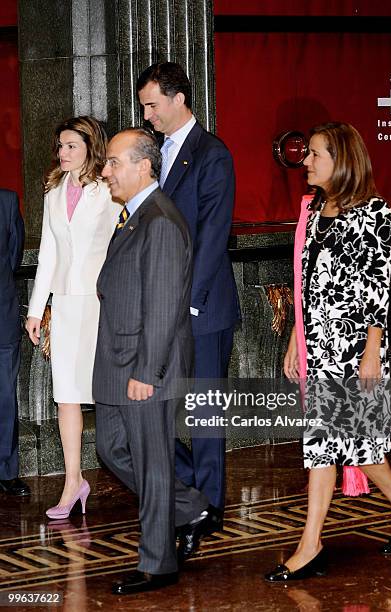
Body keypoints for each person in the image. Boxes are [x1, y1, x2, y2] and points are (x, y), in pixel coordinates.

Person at [265, 122, 391, 582]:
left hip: (356, 347)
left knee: (344, 445)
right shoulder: (315, 209)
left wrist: (372, 352)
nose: (306, 162)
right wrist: (298, 336)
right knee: (340, 444)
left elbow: (377, 289)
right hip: (319, 340)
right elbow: (307, 281)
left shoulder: (374, 213)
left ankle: (312, 543)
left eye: (315, 154)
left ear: (342, 159)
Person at [94, 127, 220, 595]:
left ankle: (159, 563)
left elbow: (166, 305)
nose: (106, 171)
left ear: (144, 166)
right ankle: (190, 509)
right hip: (117, 360)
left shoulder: (161, 220)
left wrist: (148, 372)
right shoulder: (135, 216)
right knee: (111, 449)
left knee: (150, 463)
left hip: (144, 366)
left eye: (113, 162)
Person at [137, 62, 240, 523]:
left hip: (202, 308)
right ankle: (192, 493)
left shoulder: (211, 153)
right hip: (166, 306)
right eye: (144, 107)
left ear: (179, 99)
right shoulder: (157, 153)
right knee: (154, 410)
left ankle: (210, 505)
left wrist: (187, 302)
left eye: (152, 105)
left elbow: (213, 237)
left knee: (205, 416)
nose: (147, 116)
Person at [26, 116, 120, 518]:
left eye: (70, 146)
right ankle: (72, 482)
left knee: (108, 395)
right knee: (65, 395)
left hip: (102, 303)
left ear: (89, 147)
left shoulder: (109, 190)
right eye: (60, 146)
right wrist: (35, 310)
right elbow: (48, 254)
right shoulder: (53, 192)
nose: (62, 153)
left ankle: (141, 474)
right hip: (64, 304)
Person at [0, 189, 30, 497]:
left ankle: (6, 470)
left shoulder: (7, 201)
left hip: (2, 315)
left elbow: (13, 256)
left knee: (5, 397)